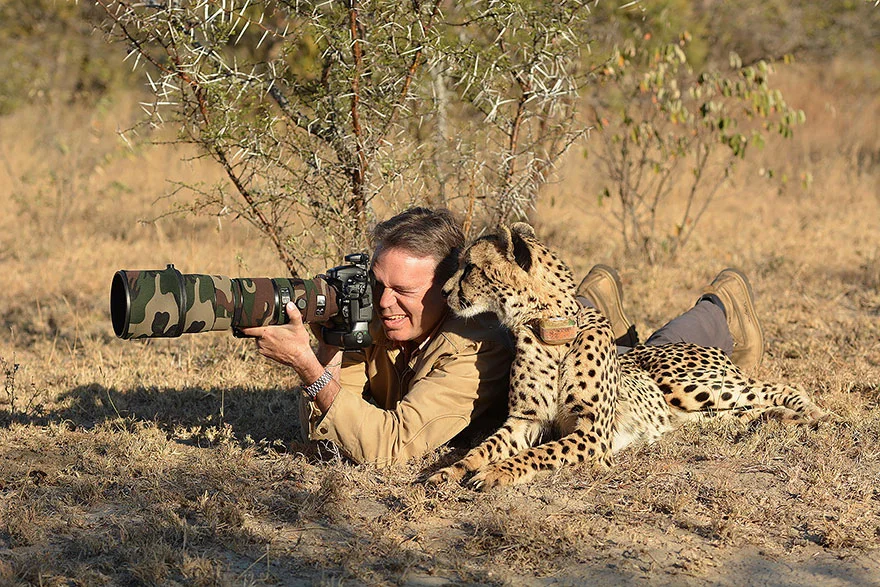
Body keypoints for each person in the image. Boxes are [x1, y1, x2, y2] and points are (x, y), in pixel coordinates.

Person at [242, 207, 764, 466]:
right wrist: (334, 337)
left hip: (569, 358)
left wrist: (310, 369)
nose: (383, 303)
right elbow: (338, 424)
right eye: (377, 285)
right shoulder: (386, 311)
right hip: (543, 323)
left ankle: (721, 310)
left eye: (402, 290)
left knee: (649, 359)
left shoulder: (473, 346)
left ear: (447, 289)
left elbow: (386, 445)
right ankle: (596, 302)